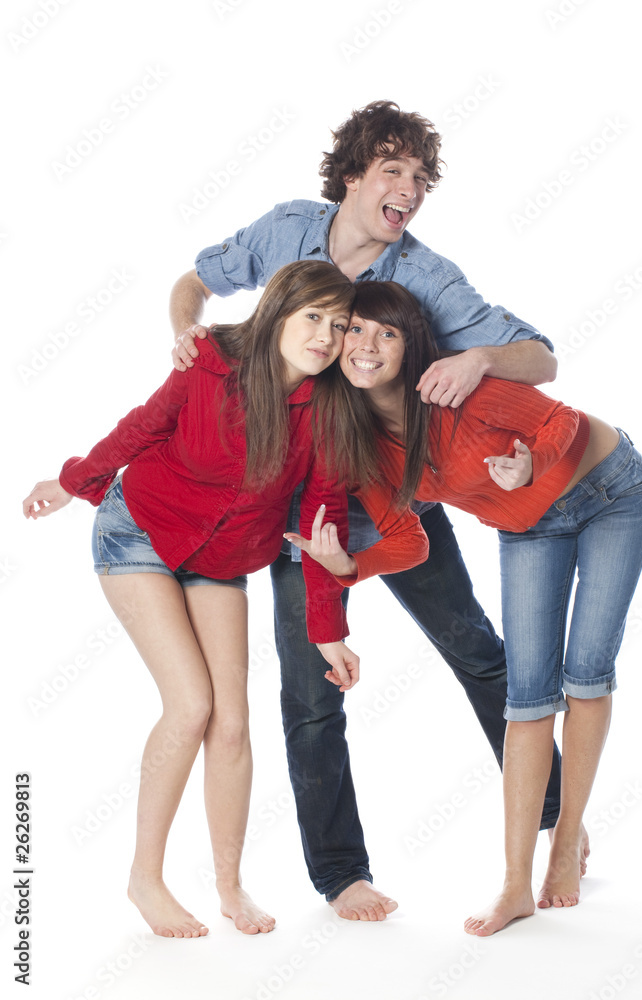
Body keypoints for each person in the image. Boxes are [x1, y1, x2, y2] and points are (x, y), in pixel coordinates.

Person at [169, 100, 569, 921]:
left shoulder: (425, 275)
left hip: (397, 494)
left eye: (420, 178)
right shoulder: (287, 230)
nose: (409, 190)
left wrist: (480, 359)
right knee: (312, 694)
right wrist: (184, 330)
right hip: (299, 510)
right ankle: (341, 874)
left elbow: (542, 358)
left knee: (478, 653)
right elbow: (195, 281)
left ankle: (557, 818)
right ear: (352, 175)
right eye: (393, 170)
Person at [21, 261, 427, 940]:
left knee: (232, 723)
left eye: (338, 324)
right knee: (191, 706)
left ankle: (230, 886)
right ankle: (144, 880)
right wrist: (72, 481)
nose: (326, 337)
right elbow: (144, 427)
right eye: (313, 317)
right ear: (278, 312)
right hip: (139, 532)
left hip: (223, 560)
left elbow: (321, 524)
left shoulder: (328, 411)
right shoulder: (209, 362)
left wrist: (328, 631)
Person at [288, 280, 642, 936]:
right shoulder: (364, 445)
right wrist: (349, 567)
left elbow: (561, 420)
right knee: (528, 694)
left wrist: (532, 463)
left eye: (387, 333)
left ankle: (565, 841)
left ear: (410, 346)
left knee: (585, 673)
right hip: (530, 527)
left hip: (611, 491)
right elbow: (408, 539)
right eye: (356, 330)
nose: (367, 345)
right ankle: (515, 886)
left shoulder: (453, 390)